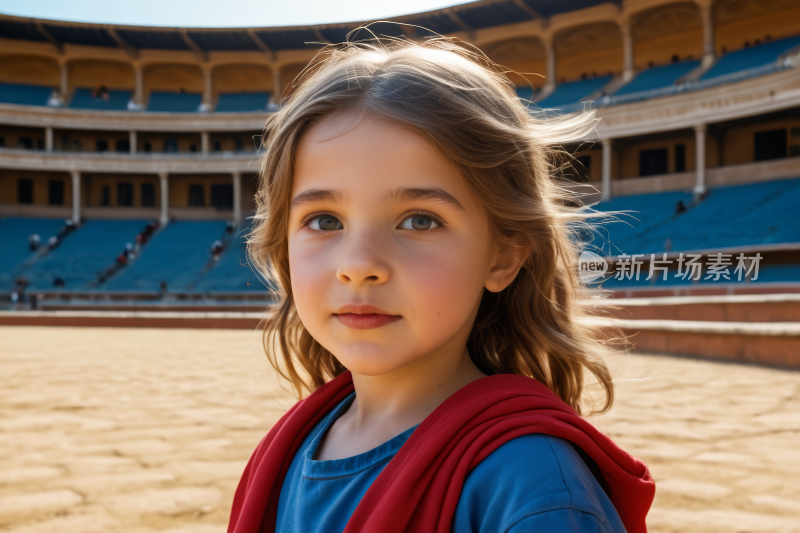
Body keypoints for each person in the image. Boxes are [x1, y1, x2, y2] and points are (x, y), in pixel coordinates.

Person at [228, 35, 654, 533]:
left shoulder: (535, 487)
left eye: (420, 220)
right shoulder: (287, 444)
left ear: (504, 255)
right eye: (324, 221)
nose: (359, 265)